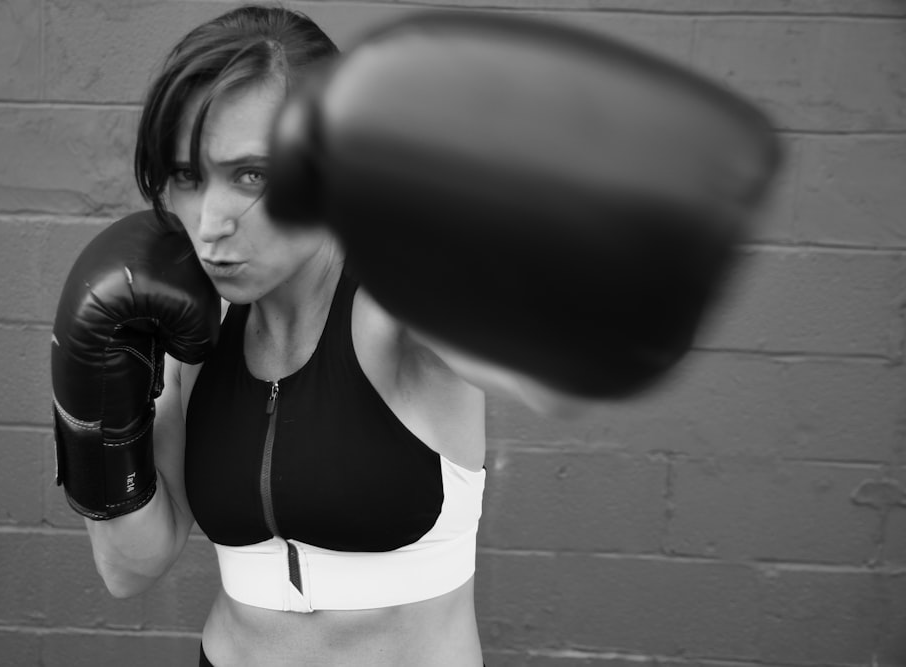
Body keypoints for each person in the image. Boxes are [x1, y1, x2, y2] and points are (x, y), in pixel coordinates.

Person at [50, 5, 779, 666]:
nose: (209, 223)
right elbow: (129, 569)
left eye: (250, 175)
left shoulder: (395, 313)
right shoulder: (191, 334)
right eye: (186, 175)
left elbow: (545, 372)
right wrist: (90, 401)